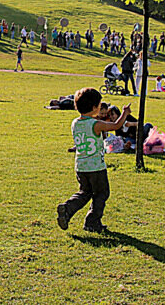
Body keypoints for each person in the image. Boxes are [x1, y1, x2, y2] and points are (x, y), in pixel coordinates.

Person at [56, 87, 129, 233]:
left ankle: (68, 208)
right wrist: (125, 113)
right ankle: (92, 222)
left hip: (81, 166)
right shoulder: (95, 125)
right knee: (101, 193)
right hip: (96, 167)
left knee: (85, 192)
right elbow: (116, 126)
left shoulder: (75, 123)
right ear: (95, 107)